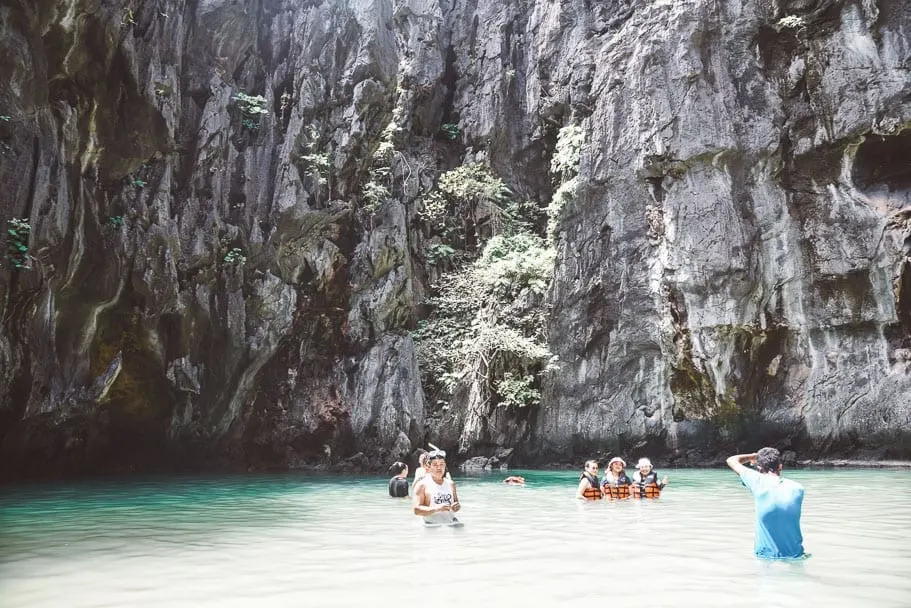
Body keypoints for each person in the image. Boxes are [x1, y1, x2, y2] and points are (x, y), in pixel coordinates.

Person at [726, 447, 806, 559]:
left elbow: (731, 460)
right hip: (796, 556)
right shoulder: (798, 488)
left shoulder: (757, 481)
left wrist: (752, 456)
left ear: (759, 469)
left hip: (766, 558)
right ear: (780, 467)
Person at [413, 449, 461, 524]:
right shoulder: (422, 485)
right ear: (429, 466)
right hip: (431, 526)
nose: (439, 467)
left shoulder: (451, 484)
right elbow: (416, 510)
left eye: (441, 464)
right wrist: (437, 509)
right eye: (435, 465)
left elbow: (456, 504)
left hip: (450, 524)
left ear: (445, 465)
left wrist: (457, 506)